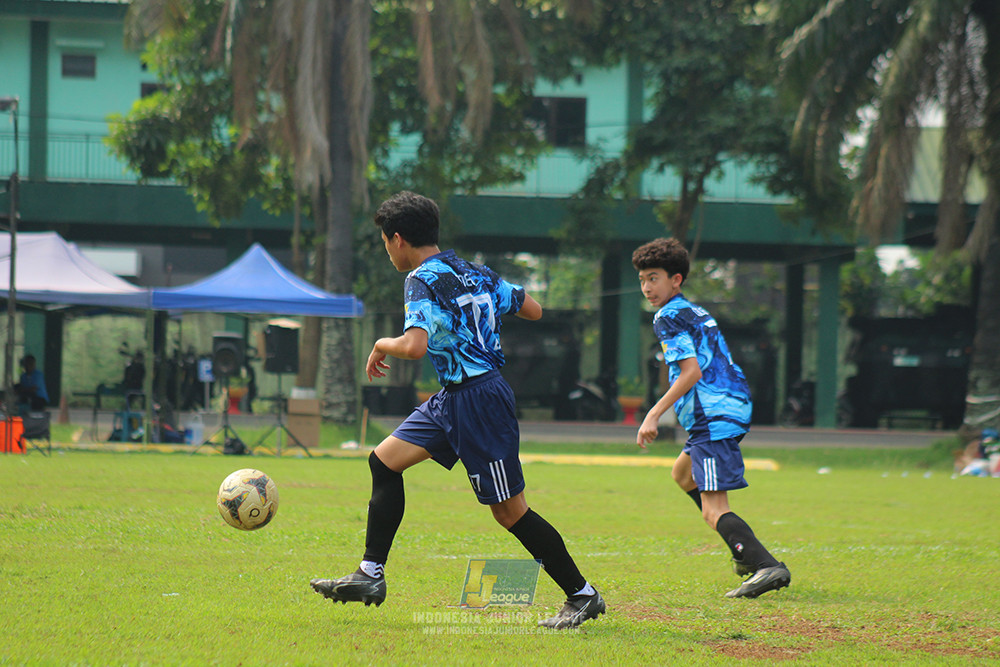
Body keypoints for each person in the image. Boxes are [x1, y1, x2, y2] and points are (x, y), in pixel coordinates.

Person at [310, 191, 605, 629]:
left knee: (510, 512)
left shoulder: (421, 279)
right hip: (452, 396)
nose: (388, 250)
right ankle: (370, 574)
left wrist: (380, 343)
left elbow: (414, 346)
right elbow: (534, 309)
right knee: (384, 461)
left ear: (397, 239)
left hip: (480, 400)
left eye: (385, 242)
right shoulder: (475, 272)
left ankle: (582, 595)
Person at [632, 237, 790, 599]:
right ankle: (744, 553)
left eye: (654, 278)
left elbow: (691, 372)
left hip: (712, 414)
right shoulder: (694, 311)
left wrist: (653, 414)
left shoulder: (667, 316)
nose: (646, 288)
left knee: (713, 509)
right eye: (642, 280)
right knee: (682, 474)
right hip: (731, 405)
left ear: (676, 279)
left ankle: (764, 565)